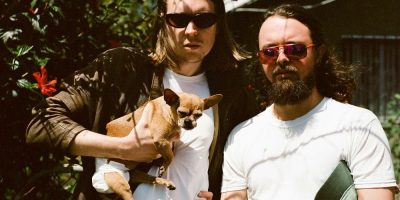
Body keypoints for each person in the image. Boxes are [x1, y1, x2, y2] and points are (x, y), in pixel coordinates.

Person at [25, 0, 260, 199]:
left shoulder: (229, 92)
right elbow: (41, 123)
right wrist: (123, 148)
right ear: (163, 21)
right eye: (178, 19)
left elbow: (245, 163)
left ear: (218, 25)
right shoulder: (121, 69)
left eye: (204, 19)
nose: (191, 30)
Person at [221, 4, 399, 200]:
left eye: (295, 49)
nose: (281, 59)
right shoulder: (241, 138)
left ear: (319, 53)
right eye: (269, 52)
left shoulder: (358, 125)